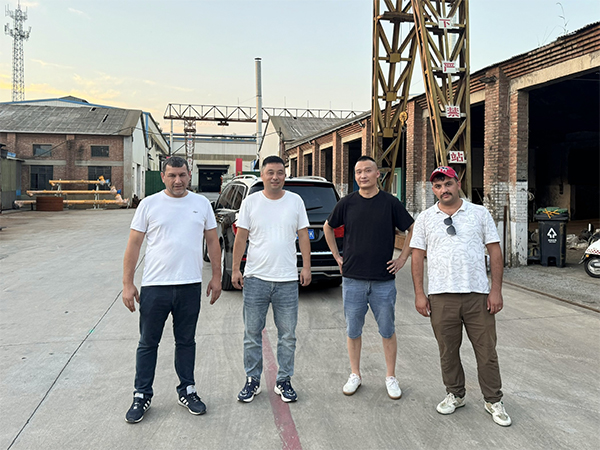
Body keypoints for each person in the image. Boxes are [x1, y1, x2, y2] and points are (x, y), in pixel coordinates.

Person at [122, 156, 222, 424]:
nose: (178, 180)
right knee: (148, 343)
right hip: (155, 287)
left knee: (186, 341)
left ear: (190, 175)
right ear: (163, 177)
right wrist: (127, 283)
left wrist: (216, 277)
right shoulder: (149, 204)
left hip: (189, 285)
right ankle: (141, 394)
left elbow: (213, 242)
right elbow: (134, 245)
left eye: (182, 175)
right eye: (172, 175)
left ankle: (187, 390)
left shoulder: (201, 204)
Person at [410, 166, 511, 427]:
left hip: (478, 295)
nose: (444, 190)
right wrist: (420, 294)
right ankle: (455, 394)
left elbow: (495, 251)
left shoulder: (479, 213)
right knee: (447, 351)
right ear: (434, 190)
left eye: (448, 184)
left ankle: (493, 399)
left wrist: (496, 290)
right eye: (438, 186)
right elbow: (417, 257)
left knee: (486, 351)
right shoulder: (425, 218)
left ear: (458, 184)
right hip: (441, 296)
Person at [323, 155, 414, 400]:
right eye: (359, 172)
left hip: (383, 280)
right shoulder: (347, 203)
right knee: (353, 330)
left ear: (377, 175)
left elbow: (412, 227)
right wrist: (336, 256)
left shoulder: (390, 203)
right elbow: (328, 227)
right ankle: (355, 374)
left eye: (367, 171)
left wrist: (402, 258)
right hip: (353, 278)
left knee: (387, 329)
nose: (363, 175)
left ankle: (391, 376)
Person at [231, 155, 311, 403]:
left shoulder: (295, 201)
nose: (275, 177)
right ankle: (252, 380)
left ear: (285, 175)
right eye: (270, 172)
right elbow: (241, 237)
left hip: (287, 280)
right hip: (256, 278)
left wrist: (306, 267)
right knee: (252, 333)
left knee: (287, 335)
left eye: (280, 172)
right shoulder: (251, 202)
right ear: (262, 175)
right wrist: (235, 269)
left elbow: (303, 236)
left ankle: (283, 380)